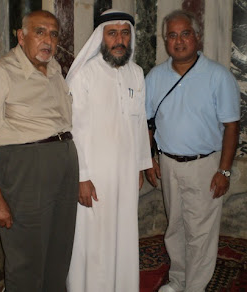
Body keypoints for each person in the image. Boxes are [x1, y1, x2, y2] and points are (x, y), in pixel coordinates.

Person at [0, 10, 79, 292]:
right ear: (21, 36)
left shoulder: (55, 72)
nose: (48, 39)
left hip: (62, 165)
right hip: (26, 171)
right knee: (26, 262)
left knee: (59, 254)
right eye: (40, 31)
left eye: (53, 33)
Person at [145, 10, 240, 292]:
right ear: (165, 41)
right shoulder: (155, 76)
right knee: (175, 227)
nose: (179, 40)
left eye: (185, 33)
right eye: (172, 35)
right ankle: (177, 281)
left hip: (205, 165)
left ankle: (195, 287)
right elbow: (147, 122)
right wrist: (149, 157)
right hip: (168, 163)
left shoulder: (217, 76)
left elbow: (232, 128)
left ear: (197, 36)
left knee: (200, 232)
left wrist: (224, 171)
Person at [65, 9, 152, 292]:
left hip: (125, 174)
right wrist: (82, 176)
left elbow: (139, 124)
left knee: (123, 236)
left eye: (124, 33)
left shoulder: (137, 73)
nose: (119, 40)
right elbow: (74, 130)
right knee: (92, 240)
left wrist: (140, 164)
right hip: (94, 176)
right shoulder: (84, 75)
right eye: (112, 33)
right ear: (100, 37)